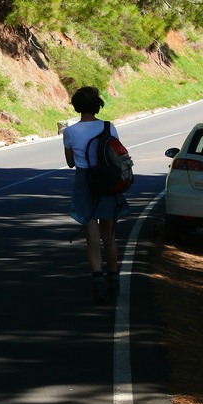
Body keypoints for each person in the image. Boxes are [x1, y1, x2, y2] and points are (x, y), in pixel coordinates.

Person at [63, 86, 129, 303]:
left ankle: (98, 283)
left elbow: (71, 163)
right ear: (97, 105)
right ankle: (114, 282)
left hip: (85, 183)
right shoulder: (109, 127)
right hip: (108, 183)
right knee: (109, 236)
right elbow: (117, 155)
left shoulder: (70, 132)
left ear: (76, 106)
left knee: (91, 237)